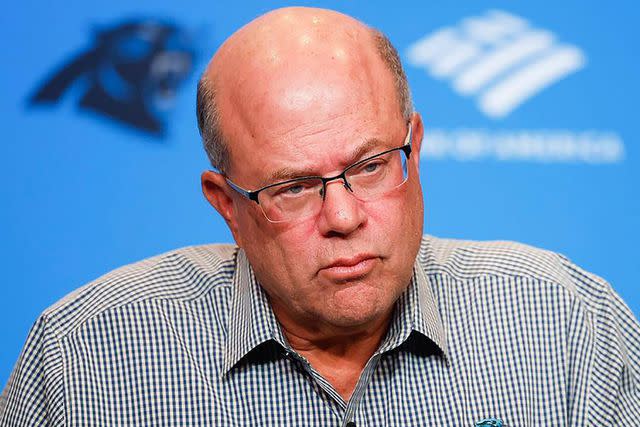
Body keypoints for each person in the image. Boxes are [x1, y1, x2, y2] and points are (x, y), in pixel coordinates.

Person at [1, 6, 639, 426]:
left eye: (369, 165)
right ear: (226, 205)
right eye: (294, 187)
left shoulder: (569, 323)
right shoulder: (83, 358)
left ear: (413, 149)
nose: (343, 216)